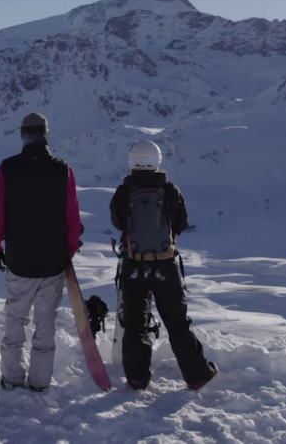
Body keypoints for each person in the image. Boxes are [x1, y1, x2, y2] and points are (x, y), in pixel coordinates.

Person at [110, 140, 217, 392]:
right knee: (177, 321)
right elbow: (180, 223)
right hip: (165, 265)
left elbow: (117, 222)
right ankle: (197, 374)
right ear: (157, 160)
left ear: (131, 161)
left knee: (135, 323)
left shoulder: (124, 192)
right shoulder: (169, 190)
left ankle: (137, 378)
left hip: (133, 266)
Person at [0, 112, 82, 392]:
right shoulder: (62, 169)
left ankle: (12, 377)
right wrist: (69, 252)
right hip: (53, 260)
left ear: (22, 135)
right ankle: (40, 381)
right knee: (46, 322)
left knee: (15, 319)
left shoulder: (7, 168)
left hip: (19, 258)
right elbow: (72, 218)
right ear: (46, 135)